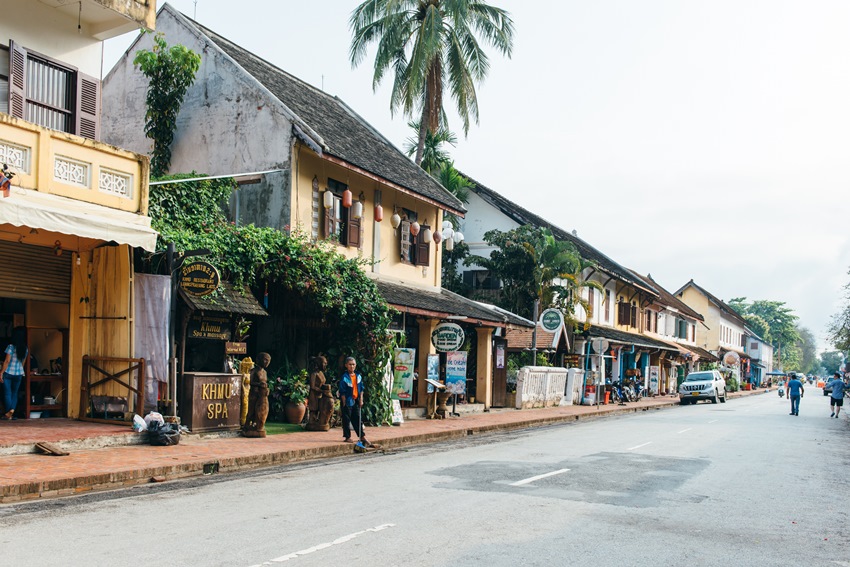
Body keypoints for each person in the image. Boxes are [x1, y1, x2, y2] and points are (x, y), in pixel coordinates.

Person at [1, 327, 28, 420]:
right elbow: (23, 362)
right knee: (15, 393)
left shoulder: (11, 347)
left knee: (7, 393)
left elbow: (7, 361)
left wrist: (1, 372)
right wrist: (21, 371)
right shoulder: (25, 348)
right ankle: (12, 410)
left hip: (8, 373)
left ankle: (9, 413)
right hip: (19, 373)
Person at [338, 356, 367, 444]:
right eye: (350, 364)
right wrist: (344, 402)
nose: (352, 366)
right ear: (346, 365)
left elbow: (361, 389)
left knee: (357, 418)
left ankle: (362, 436)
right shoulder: (344, 377)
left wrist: (361, 399)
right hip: (347, 400)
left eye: (353, 364)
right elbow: (342, 391)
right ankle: (347, 436)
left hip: (356, 400)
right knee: (346, 419)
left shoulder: (358, 376)